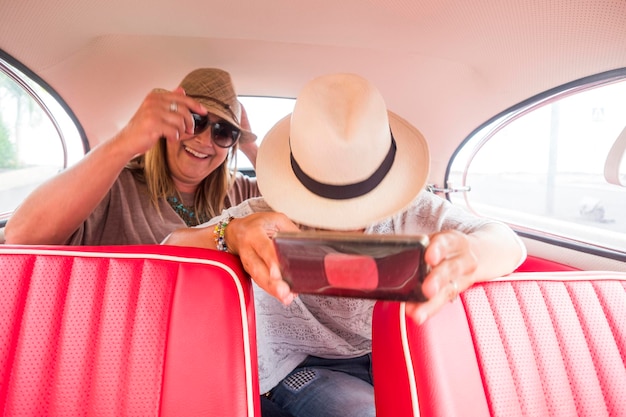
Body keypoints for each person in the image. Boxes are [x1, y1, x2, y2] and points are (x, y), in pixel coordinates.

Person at [163, 73, 527, 417]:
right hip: (299, 364)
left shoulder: (416, 210)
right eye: (328, 204)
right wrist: (232, 232)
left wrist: (470, 254)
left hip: (392, 355)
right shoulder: (264, 215)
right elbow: (171, 246)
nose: (347, 219)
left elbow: (508, 243)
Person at [5, 68, 261, 246]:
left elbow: (296, 204)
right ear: (168, 121)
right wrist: (126, 140)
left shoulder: (238, 191)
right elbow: (22, 236)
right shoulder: (116, 188)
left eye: (224, 132)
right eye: (195, 121)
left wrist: (248, 145)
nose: (204, 140)